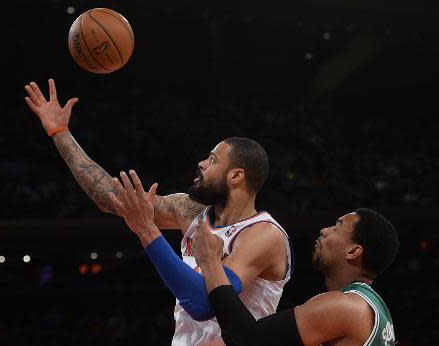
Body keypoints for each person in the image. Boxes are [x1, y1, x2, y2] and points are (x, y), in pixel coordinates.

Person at [24, 79, 293, 345]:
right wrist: (60, 132)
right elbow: (110, 198)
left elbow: (203, 303)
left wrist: (148, 231)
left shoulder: (263, 235)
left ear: (236, 176)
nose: (200, 163)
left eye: (212, 159)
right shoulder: (188, 210)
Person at [192, 208, 399, 346]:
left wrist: (210, 261)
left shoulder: (345, 307)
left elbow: (246, 339)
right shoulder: (376, 310)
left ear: (353, 251)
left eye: (337, 227)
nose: (324, 230)